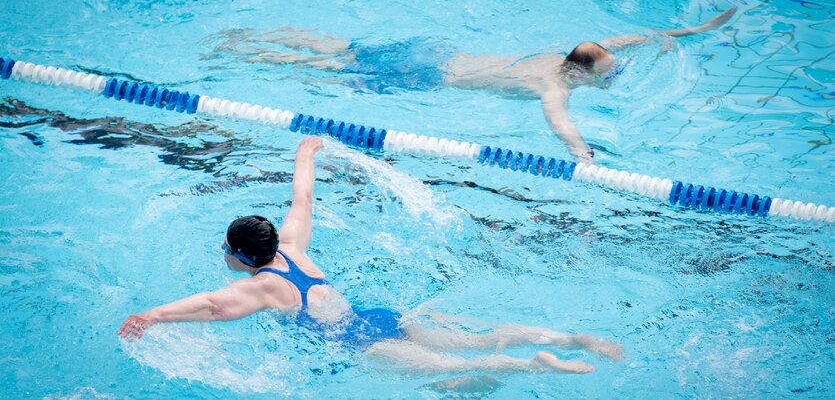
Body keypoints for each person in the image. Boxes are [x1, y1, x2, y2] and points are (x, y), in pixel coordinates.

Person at [119, 137, 622, 374]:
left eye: (226, 250)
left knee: (452, 370)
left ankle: (535, 363)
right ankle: (570, 337)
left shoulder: (257, 287)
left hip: (359, 343)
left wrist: (151, 315)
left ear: (241, 256)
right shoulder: (292, 247)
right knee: (476, 338)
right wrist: (303, 155)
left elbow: (207, 306)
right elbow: (302, 200)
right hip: (379, 317)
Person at [212, 7, 736, 163]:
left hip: (438, 50)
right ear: (581, 74)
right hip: (428, 75)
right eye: (611, 73)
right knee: (326, 71)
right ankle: (264, 56)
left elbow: (641, 36)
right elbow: (561, 126)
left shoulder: (570, 55)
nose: (617, 73)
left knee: (339, 47)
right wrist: (584, 157)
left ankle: (248, 37)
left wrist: (693, 32)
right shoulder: (555, 88)